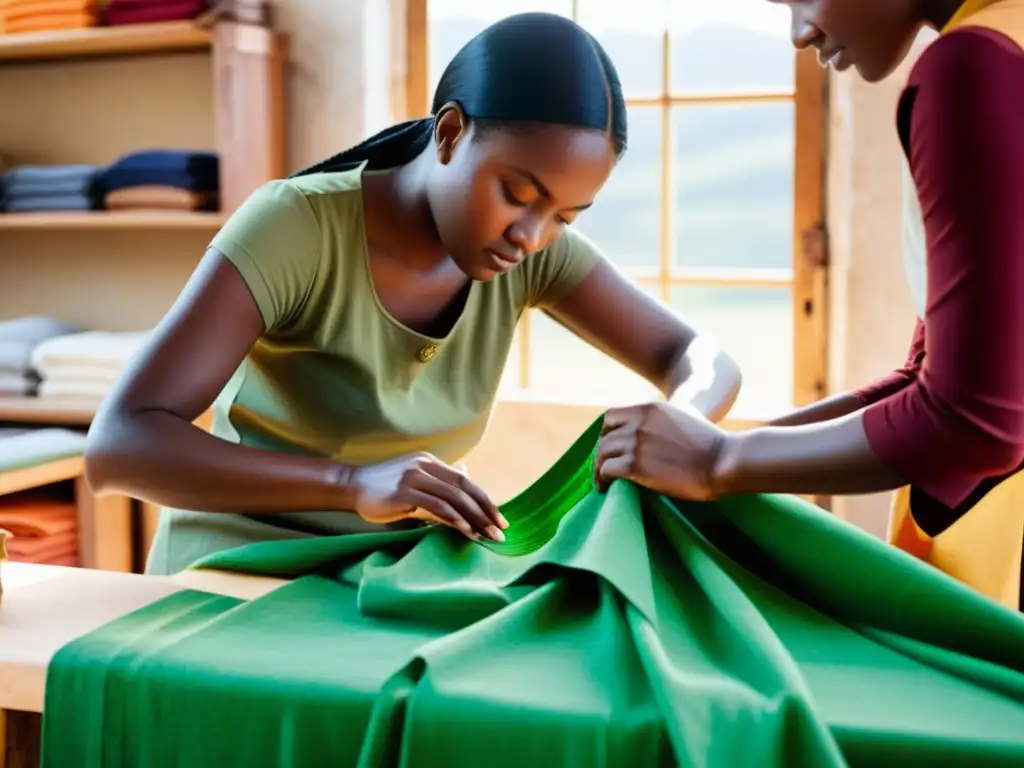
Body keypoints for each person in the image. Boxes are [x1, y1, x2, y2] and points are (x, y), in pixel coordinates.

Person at [82, 12, 743, 576]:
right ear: (450, 132)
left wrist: (685, 420)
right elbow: (120, 445)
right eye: (516, 194)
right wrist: (349, 484)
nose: (533, 235)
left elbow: (702, 358)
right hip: (235, 575)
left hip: (389, 577)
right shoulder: (295, 228)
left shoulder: (531, 255)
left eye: (565, 217)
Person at [595, 0, 1024, 611]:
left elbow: (974, 421)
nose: (801, 33)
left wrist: (723, 459)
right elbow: (933, 376)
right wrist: (721, 450)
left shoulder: (973, 69)